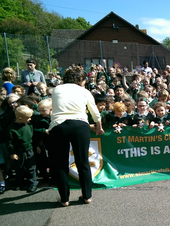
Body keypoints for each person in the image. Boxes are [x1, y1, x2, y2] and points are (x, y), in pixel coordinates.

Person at [48, 68, 104, 207]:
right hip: (80, 125)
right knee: (82, 161)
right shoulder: (84, 91)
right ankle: (87, 196)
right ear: (81, 80)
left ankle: (64, 199)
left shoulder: (57, 89)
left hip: (59, 125)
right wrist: (99, 126)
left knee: (61, 164)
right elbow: (94, 112)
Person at [7, 105, 38, 192]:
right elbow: (10, 143)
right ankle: (20, 183)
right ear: (20, 118)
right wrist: (12, 153)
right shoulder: (12, 129)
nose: (30, 119)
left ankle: (33, 183)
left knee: (31, 167)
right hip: (19, 152)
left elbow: (32, 136)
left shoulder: (29, 125)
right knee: (19, 168)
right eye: (28, 118)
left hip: (29, 149)